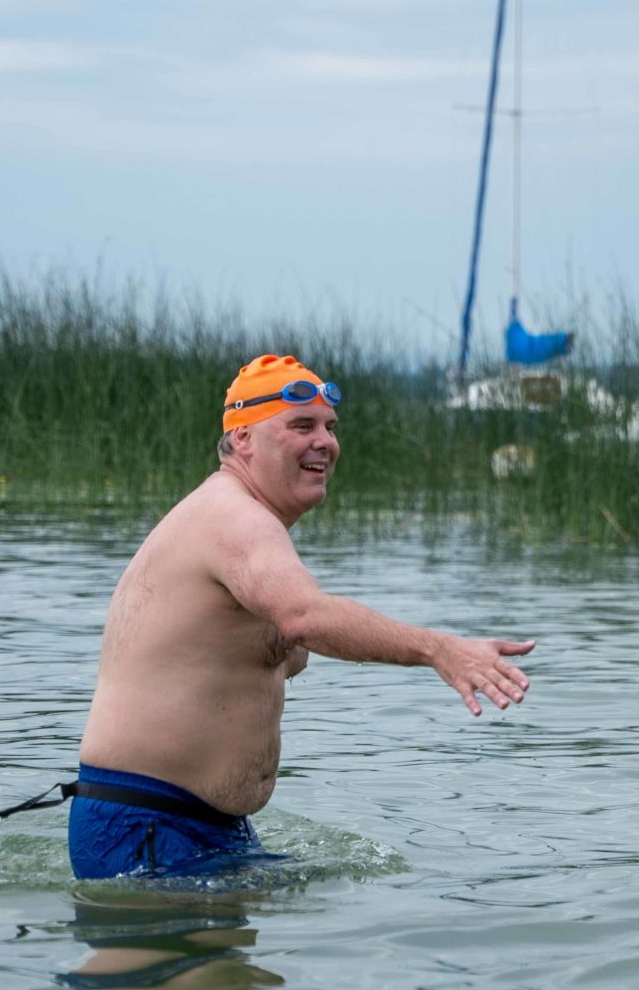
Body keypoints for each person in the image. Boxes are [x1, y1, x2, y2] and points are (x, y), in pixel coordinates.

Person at [71, 353, 535, 878]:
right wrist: (439, 649)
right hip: (147, 826)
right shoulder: (232, 517)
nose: (325, 443)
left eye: (329, 427)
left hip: (201, 825)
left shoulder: (250, 528)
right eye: (301, 426)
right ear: (243, 437)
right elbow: (305, 618)